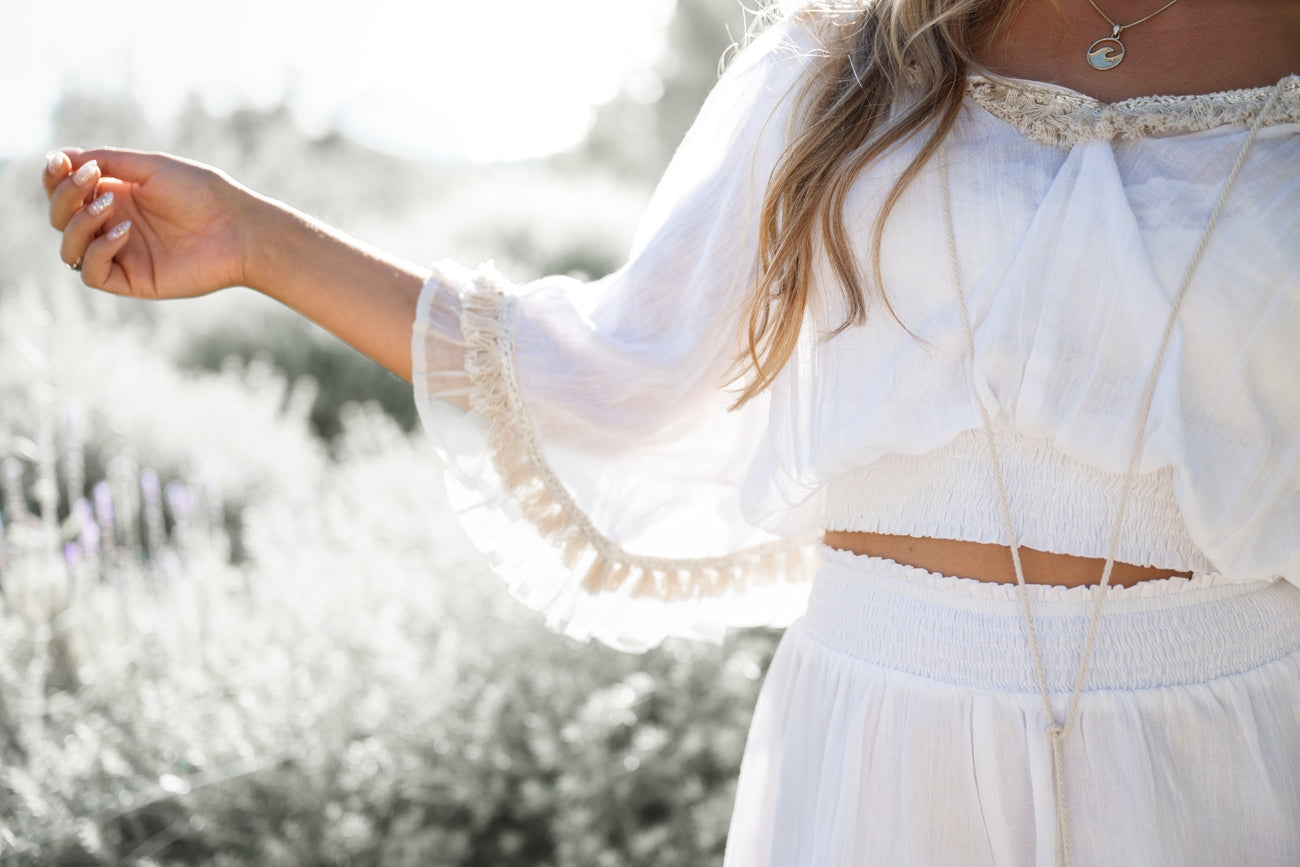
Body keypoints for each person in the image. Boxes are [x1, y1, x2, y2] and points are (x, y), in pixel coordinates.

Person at [42, 0, 1300, 864]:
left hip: (1214, 754)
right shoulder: (849, 68)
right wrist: (258, 243)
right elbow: (602, 376)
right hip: (869, 748)